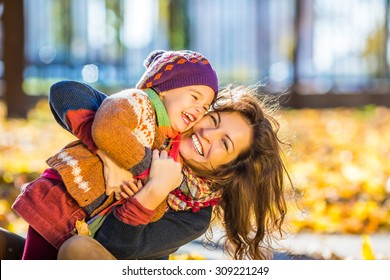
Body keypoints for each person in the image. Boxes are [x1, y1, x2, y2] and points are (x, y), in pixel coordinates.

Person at [12, 50, 219, 259]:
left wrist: (141, 194)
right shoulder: (138, 104)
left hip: (85, 222)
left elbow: (156, 208)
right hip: (61, 200)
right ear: (165, 88)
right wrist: (138, 169)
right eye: (194, 97)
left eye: (205, 107)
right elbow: (106, 128)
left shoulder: (170, 146)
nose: (199, 109)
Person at [51, 83, 293, 260]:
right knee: (13, 245)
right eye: (214, 121)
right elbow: (65, 92)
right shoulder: (150, 131)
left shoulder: (193, 215)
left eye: (224, 143)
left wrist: (153, 191)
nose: (207, 135)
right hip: (54, 236)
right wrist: (111, 151)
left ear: (228, 171)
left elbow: (115, 251)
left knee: (77, 250)